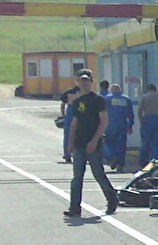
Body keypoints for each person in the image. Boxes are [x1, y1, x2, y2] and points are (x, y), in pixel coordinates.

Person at [63, 72, 118, 218]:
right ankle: (74, 207)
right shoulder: (77, 101)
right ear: (77, 82)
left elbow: (104, 121)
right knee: (77, 177)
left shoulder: (98, 100)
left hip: (93, 144)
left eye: (86, 80)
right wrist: (70, 142)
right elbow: (75, 122)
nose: (84, 83)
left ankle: (112, 199)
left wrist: (94, 140)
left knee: (98, 173)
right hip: (79, 144)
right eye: (81, 80)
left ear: (92, 82)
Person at [103, 81, 135, 172]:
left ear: (112, 90)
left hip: (110, 124)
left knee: (108, 142)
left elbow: (103, 111)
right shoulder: (126, 99)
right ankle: (120, 164)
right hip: (123, 124)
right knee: (121, 145)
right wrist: (130, 125)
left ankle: (112, 157)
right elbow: (130, 114)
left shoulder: (107, 98)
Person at [136, 83, 158, 166]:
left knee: (145, 143)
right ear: (155, 89)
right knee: (157, 143)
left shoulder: (144, 98)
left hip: (147, 120)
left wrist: (142, 122)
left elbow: (140, 112)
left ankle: (144, 162)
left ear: (148, 89)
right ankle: (156, 163)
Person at [57, 82, 81, 163]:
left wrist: (63, 115)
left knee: (67, 135)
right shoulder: (84, 92)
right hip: (81, 114)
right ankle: (80, 154)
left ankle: (67, 155)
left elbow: (62, 105)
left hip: (69, 115)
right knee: (81, 135)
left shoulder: (68, 92)